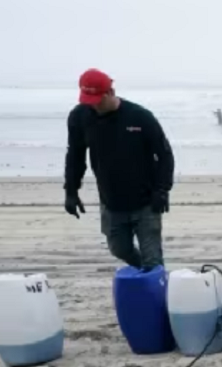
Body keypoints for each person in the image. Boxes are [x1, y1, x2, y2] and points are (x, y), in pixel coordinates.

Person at [64, 69, 174, 270]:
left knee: (153, 260)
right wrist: (71, 191)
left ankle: (156, 288)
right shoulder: (79, 117)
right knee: (120, 249)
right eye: (88, 100)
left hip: (146, 202)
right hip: (111, 202)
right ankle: (147, 276)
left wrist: (162, 190)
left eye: (98, 99)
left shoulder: (140, 117)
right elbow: (75, 155)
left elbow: (164, 154)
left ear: (110, 92)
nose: (94, 105)